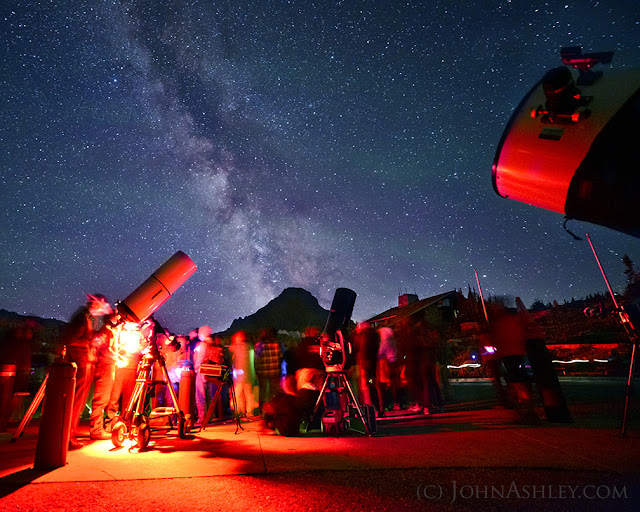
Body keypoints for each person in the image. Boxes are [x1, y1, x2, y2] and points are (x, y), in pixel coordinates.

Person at [62, 294, 113, 449]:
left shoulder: (86, 317)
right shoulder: (82, 318)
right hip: (81, 362)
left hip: (86, 362)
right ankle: (68, 438)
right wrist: (91, 342)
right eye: (101, 306)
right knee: (76, 402)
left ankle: (69, 436)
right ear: (95, 303)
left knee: (78, 402)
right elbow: (72, 340)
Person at [88, 312, 118, 439]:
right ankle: (96, 430)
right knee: (101, 398)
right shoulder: (107, 330)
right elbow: (105, 349)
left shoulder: (109, 330)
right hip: (105, 366)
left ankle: (97, 428)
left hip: (106, 365)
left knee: (103, 398)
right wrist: (119, 358)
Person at [193, 326, 224, 425]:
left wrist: (196, 368)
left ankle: (202, 418)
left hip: (202, 371)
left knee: (200, 396)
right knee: (209, 396)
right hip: (212, 372)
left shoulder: (203, 344)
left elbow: (200, 357)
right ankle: (210, 417)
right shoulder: (213, 344)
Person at [254, 328, 282, 414]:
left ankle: (262, 411)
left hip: (263, 372)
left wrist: (256, 371)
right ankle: (274, 411)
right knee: (273, 392)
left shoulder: (259, 345)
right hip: (275, 371)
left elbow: (257, 359)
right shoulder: (276, 344)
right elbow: (280, 356)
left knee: (262, 392)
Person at [228, 331, 256, 418]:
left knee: (238, 394)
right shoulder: (250, 347)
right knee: (249, 394)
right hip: (249, 374)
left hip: (240, 374)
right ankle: (249, 412)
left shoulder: (238, 347)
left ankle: (240, 412)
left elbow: (231, 349)